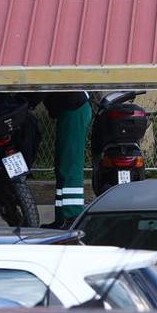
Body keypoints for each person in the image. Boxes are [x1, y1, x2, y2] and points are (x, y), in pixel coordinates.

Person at [43, 93, 91, 224]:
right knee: (64, 166)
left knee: (69, 165)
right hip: (72, 108)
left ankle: (72, 216)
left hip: (73, 109)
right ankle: (62, 218)